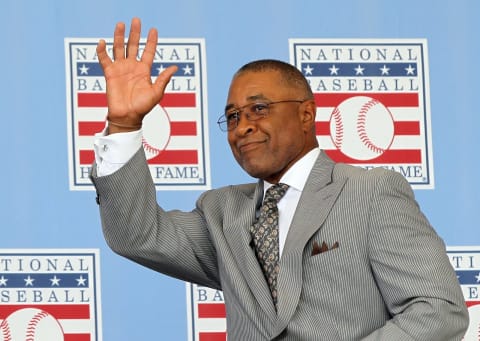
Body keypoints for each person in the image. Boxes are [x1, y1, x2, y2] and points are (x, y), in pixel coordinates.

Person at [90, 18, 469, 340]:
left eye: (259, 109)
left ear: (306, 115)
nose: (243, 128)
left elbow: (438, 309)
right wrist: (124, 124)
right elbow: (137, 236)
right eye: (233, 117)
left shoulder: (370, 193)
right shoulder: (221, 212)